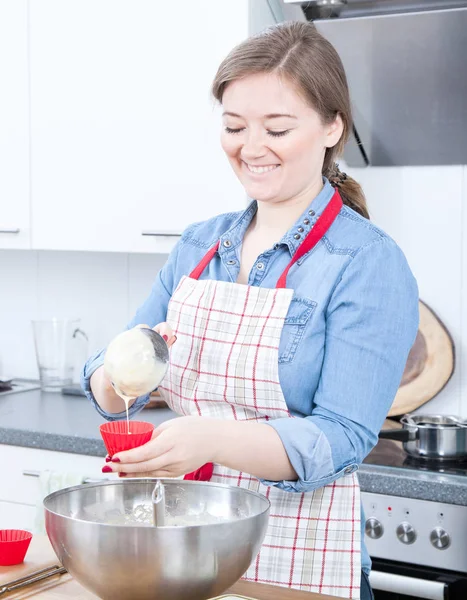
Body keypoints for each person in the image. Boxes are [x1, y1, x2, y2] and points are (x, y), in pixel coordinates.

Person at [81, 21, 419, 599]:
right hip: (187, 550)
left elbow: (342, 437)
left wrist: (210, 440)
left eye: (277, 128)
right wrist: (120, 372)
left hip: (301, 559)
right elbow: (106, 379)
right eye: (235, 126)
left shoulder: (367, 261)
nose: (250, 147)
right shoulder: (198, 246)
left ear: (333, 127)